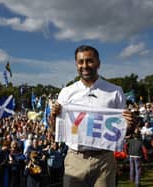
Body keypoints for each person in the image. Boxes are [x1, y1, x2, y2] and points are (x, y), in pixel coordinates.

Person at [50, 45, 136, 187]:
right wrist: (53, 117)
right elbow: (55, 130)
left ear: (98, 63)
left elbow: (122, 132)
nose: (85, 65)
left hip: (104, 159)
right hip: (75, 159)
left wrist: (131, 124)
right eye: (80, 62)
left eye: (89, 61)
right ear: (76, 64)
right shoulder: (66, 92)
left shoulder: (115, 91)